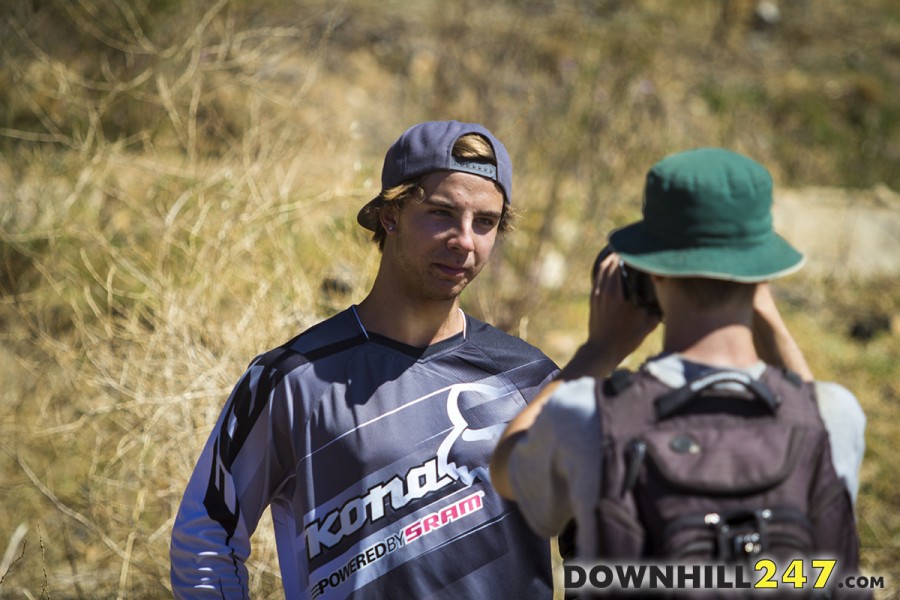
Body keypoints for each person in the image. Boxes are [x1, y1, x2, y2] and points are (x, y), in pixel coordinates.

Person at [169, 120, 559, 599]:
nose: (465, 241)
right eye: (441, 213)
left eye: (485, 222)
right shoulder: (291, 380)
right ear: (390, 215)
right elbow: (205, 539)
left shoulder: (531, 379)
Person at [491, 148, 866, 580]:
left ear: (653, 271)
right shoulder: (837, 416)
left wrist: (599, 351)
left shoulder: (590, 418)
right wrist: (762, 309)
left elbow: (505, 470)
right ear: (762, 273)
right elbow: (807, 406)